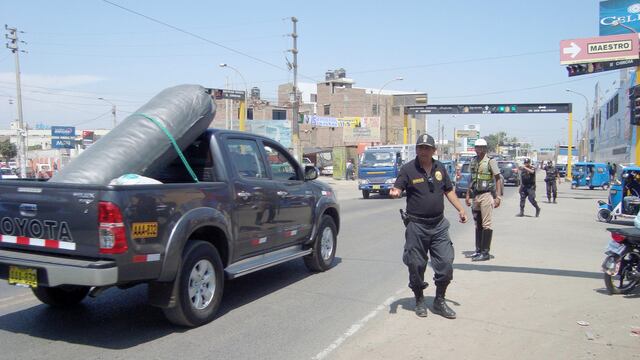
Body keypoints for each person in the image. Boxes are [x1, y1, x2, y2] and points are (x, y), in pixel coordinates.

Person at [390, 133, 467, 319]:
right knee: (416, 264)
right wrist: (396, 191)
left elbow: (448, 190)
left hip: (439, 225)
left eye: (427, 148)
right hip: (416, 226)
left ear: (434, 150)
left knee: (446, 263)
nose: (423, 151)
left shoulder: (440, 167)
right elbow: (398, 187)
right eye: (420, 147)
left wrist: (460, 209)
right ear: (416, 149)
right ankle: (419, 300)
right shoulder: (408, 169)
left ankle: (439, 301)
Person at [465, 138, 502, 262]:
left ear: (485, 149)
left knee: (486, 224)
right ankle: (478, 250)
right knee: (477, 223)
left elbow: (498, 178)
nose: (479, 150)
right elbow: (471, 179)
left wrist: (498, 196)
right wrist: (467, 195)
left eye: (481, 147)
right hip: (476, 195)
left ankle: (485, 252)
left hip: (486, 195)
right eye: (477, 147)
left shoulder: (490, 162)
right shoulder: (473, 161)